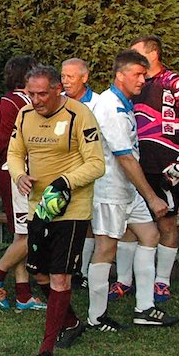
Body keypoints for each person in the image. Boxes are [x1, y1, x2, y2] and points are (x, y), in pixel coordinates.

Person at [6, 65, 105, 356]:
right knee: (40, 275)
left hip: (72, 208)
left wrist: (65, 182)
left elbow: (97, 164)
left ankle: (46, 349)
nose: (35, 100)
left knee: (61, 277)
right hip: (39, 207)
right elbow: (13, 153)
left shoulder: (80, 114)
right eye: (31, 94)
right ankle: (72, 321)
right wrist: (19, 175)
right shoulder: (24, 115)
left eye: (42, 94)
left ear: (57, 89)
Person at [87, 51, 178, 333]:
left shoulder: (125, 103)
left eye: (144, 74)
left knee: (150, 235)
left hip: (127, 188)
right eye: (137, 74)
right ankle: (96, 317)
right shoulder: (109, 106)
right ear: (120, 75)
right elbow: (124, 157)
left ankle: (144, 309)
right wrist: (151, 196)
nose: (142, 80)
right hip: (109, 190)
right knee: (106, 248)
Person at [125, 35, 179, 304]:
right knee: (131, 222)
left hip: (168, 164)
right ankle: (125, 279)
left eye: (137, 53)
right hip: (137, 164)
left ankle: (162, 282)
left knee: (167, 222)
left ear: (153, 54)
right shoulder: (133, 85)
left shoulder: (175, 82)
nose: (133, 59)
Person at [0, 55, 47, 311]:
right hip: (17, 173)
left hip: (14, 171)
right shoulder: (21, 102)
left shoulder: (10, 100)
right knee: (29, 233)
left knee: (22, 234)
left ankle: (23, 293)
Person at [61, 57, 100, 287]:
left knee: (89, 222)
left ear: (84, 78)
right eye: (63, 76)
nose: (65, 81)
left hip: (91, 174)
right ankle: (63, 267)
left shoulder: (99, 103)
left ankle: (81, 271)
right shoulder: (58, 102)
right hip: (63, 173)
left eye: (70, 76)